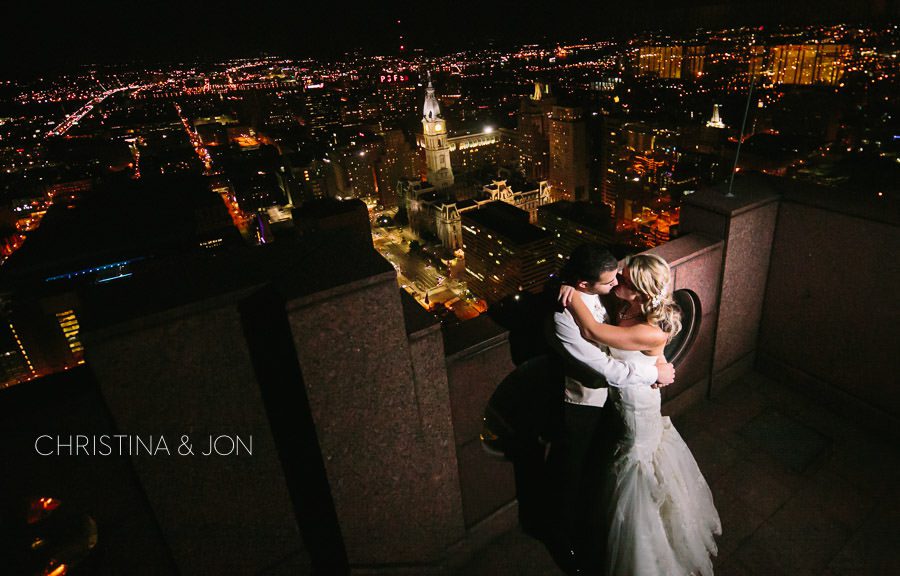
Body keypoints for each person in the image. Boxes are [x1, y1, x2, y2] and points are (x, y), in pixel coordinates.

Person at [559, 253, 721, 576]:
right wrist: (659, 364)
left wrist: (571, 292)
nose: (617, 279)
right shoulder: (628, 306)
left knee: (637, 470)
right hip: (626, 396)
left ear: (641, 293)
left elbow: (592, 331)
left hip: (637, 406)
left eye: (624, 280)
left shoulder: (650, 330)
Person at [545, 244, 675, 574]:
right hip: (586, 403)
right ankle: (565, 540)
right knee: (573, 473)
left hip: (629, 404)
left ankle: (609, 532)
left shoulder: (612, 296)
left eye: (622, 278)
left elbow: (643, 339)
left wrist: (658, 362)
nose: (617, 282)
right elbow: (608, 367)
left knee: (613, 469)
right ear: (585, 284)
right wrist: (655, 372)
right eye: (613, 279)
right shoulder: (566, 316)